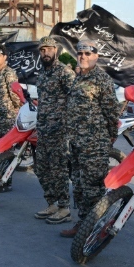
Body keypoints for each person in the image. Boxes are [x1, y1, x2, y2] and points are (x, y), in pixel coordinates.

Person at [59, 39, 119, 238]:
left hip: (94, 144)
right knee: (78, 186)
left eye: (88, 54)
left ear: (96, 56)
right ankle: (83, 224)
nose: (83, 57)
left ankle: (94, 228)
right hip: (75, 143)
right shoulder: (79, 78)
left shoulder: (101, 79)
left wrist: (109, 137)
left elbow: (111, 112)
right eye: (80, 53)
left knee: (92, 187)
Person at [33, 36, 76, 224]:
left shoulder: (64, 72)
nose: (45, 53)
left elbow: (75, 99)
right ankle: (52, 203)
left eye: (48, 49)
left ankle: (64, 208)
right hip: (43, 130)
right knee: (41, 168)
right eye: (42, 50)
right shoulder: (41, 74)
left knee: (59, 170)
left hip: (60, 131)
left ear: (56, 51)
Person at [0, 44, 21, 145]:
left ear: (4, 57)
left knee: (6, 146)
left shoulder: (9, 73)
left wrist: (16, 108)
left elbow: (15, 94)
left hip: (7, 116)